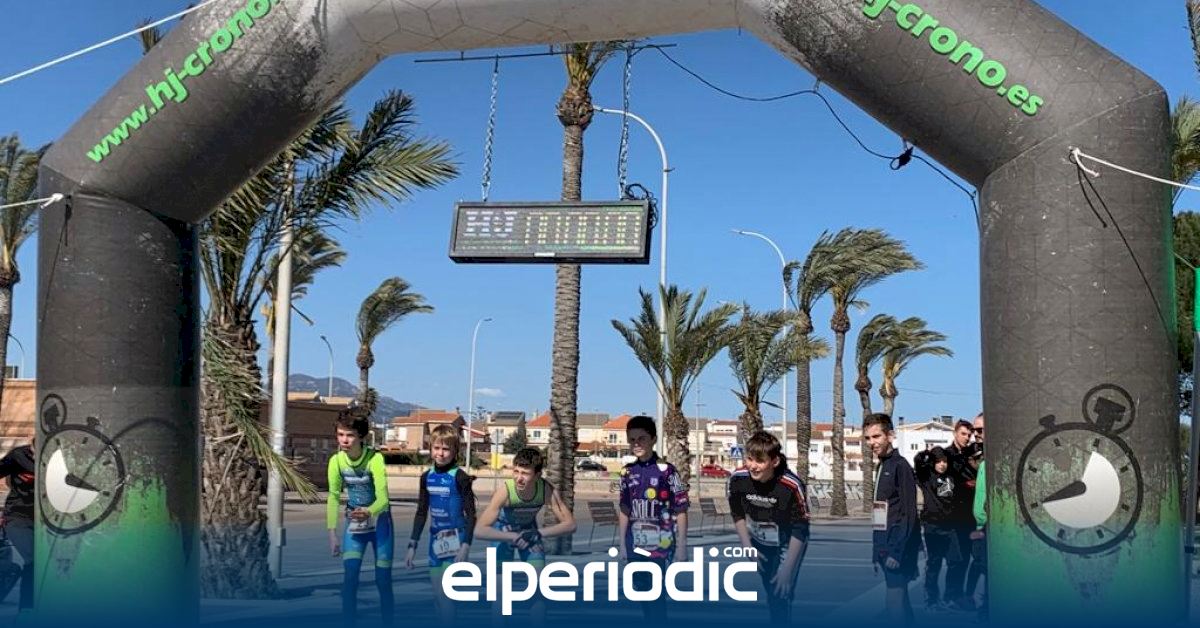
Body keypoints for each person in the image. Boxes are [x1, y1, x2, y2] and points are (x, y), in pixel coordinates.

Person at [474, 447, 576, 626]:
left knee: (538, 590)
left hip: (530, 533)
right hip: (503, 534)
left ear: (537, 475)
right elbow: (480, 530)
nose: (519, 478)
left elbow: (570, 524)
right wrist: (512, 537)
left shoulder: (545, 489)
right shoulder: (505, 491)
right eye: (516, 471)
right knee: (500, 594)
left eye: (525, 473)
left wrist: (538, 534)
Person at [728, 431, 810, 624]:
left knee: (781, 592)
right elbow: (737, 513)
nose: (753, 466)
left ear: (774, 462)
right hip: (759, 542)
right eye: (749, 459)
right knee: (770, 590)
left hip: (787, 543)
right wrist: (747, 545)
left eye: (760, 461)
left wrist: (787, 569)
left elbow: (801, 528)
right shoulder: (738, 479)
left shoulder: (791, 486)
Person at [618, 415, 689, 621]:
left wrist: (682, 546)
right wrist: (622, 544)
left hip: (661, 542)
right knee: (640, 588)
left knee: (655, 591)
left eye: (642, 439)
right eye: (632, 440)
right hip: (634, 543)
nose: (637, 444)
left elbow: (681, 509)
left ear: (653, 439)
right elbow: (624, 509)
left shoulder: (667, 471)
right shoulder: (627, 472)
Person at [327, 412, 393, 628]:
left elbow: (383, 499)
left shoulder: (375, 458)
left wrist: (369, 511)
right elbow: (333, 497)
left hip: (380, 523)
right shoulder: (336, 461)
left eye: (350, 435)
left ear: (361, 436)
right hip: (355, 523)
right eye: (340, 435)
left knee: (382, 580)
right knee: (350, 578)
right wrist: (332, 533)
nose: (344, 440)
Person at [406, 424, 476, 625]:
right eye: (436, 448)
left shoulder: (460, 477)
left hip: (457, 540)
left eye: (446, 449)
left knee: (446, 595)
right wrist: (412, 545)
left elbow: (471, 514)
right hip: (435, 541)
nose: (441, 453)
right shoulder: (426, 477)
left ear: (455, 451)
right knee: (438, 596)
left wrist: (465, 546)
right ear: (430, 448)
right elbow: (421, 512)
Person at [865, 412, 919, 625]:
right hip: (885, 546)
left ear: (890, 436)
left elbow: (909, 512)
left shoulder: (900, 466)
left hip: (897, 547)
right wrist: (877, 549)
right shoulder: (882, 465)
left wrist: (897, 551)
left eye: (876, 436)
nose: (872, 442)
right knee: (901, 602)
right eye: (868, 438)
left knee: (894, 603)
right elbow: (882, 511)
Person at [914, 446, 960, 611]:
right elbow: (918, 461)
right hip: (932, 526)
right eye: (938, 461)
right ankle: (932, 600)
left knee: (955, 561)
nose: (942, 464)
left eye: (944, 461)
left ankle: (949, 598)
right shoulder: (926, 477)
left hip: (949, 527)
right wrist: (927, 453)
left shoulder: (951, 476)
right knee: (934, 564)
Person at [943, 418, 977, 611]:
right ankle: (951, 595)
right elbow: (944, 487)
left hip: (968, 515)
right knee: (954, 559)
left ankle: (959, 595)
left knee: (964, 557)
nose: (966, 438)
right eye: (963, 434)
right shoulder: (946, 456)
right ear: (955, 433)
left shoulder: (970, 454)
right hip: (953, 516)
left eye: (969, 435)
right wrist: (965, 485)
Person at [0, 438, 34, 614]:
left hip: (46, 519)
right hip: (18, 516)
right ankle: (26, 610)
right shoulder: (18, 455)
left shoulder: (59, 458)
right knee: (33, 559)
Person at [968, 413, 988, 620]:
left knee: (988, 574)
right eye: (974, 430)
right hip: (981, 528)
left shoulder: (993, 461)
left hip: (989, 530)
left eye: (980, 430)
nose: (976, 434)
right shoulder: (983, 462)